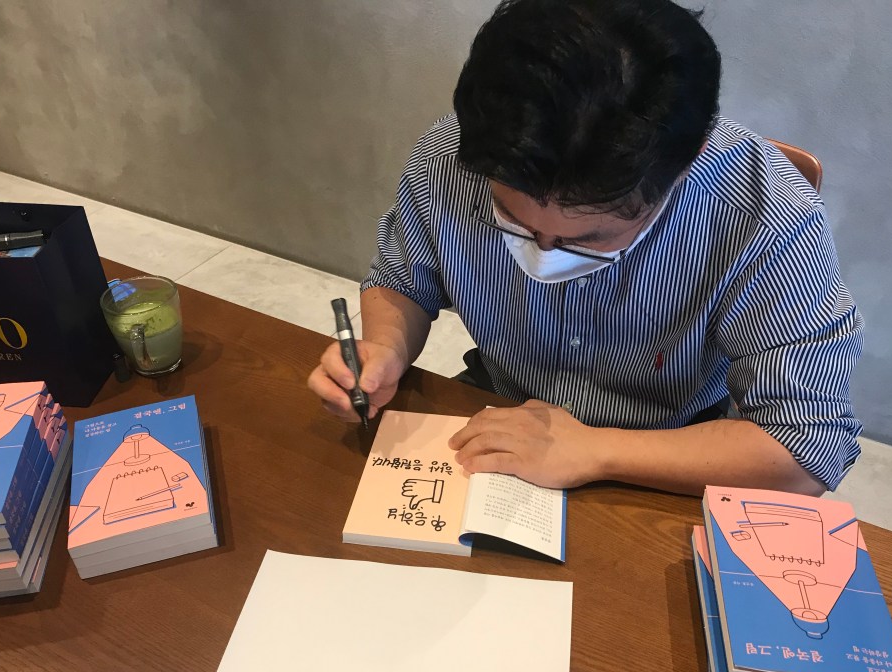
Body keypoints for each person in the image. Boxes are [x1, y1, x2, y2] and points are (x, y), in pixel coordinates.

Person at [308, 0, 863, 497]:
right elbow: (405, 279)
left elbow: (806, 450)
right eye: (512, 220)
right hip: (500, 401)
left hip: (667, 446)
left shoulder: (767, 215)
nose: (544, 252)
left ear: (683, 167)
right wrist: (385, 348)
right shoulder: (455, 157)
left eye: (586, 240)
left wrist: (595, 451)